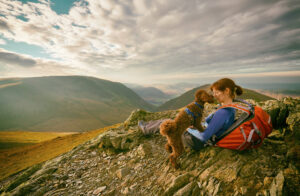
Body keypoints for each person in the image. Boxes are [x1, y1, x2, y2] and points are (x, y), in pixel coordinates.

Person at [138, 78, 243, 150]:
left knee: (167, 123)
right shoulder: (230, 107)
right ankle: (148, 126)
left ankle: (145, 128)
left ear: (227, 91)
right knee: (172, 122)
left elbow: (204, 136)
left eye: (216, 92)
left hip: (196, 141)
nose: (214, 96)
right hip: (202, 136)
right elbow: (211, 126)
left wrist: (188, 128)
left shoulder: (223, 112)